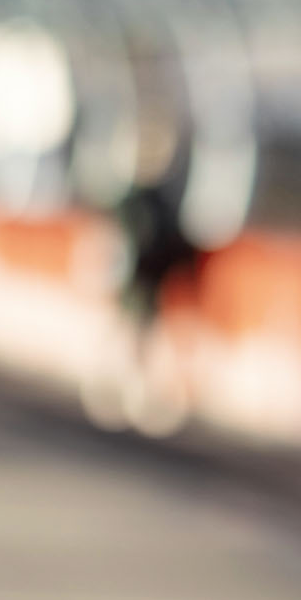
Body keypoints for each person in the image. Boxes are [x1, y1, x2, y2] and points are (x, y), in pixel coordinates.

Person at [89, 179, 202, 433]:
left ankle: (137, 394)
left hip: (149, 286)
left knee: (142, 341)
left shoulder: (162, 205)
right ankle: (111, 388)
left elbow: (172, 244)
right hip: (133, 285)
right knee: (123, 336)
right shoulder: (131, 203)